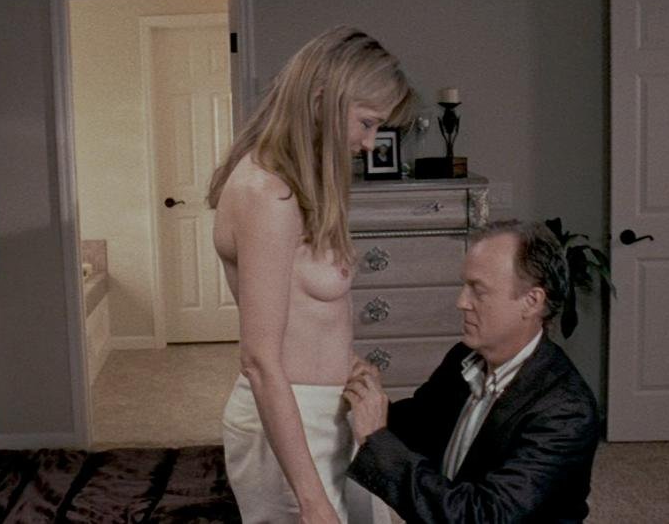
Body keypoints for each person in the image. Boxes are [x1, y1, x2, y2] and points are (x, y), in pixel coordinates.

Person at [207, 26, 415, 523]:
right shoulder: (267, 195)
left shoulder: (301, 184)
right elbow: (260, 360)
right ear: (322, 100)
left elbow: (304, 312)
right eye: (367, 123)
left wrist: (348, 363)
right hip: (290, 426)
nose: (371, 143)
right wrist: (311, 499)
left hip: (327, 413)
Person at [342, 220, 601, 523]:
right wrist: (369, 398)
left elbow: (480, 517)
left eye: (478, 290)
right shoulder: (465, 356)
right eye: (464, 286)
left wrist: (375, 440)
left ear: (531, 302)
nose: (461, 302)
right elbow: (419, 424)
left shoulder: (566, 412)